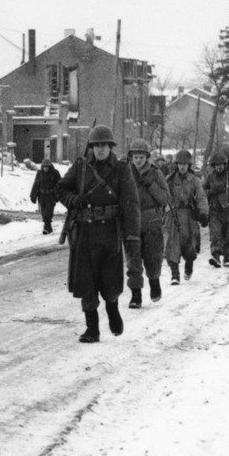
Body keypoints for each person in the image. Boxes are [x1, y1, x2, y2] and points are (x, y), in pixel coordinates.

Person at [58, 125, 140, 343]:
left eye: (104, 145)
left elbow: (131, 204)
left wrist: (131, 235)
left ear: (111, 147)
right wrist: (73, 200)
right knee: (86, 282)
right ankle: (92, 329)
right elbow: (61, 189)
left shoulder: (121, 169)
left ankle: (112, 310)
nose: (100, 149)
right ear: (91, 147)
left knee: (110, 280)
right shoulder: (81, 167)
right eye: (96, 146)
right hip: (84, 233)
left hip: (110, 232)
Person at [124, 139, 168, 307]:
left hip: (152, 222)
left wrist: (151, 185)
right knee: (133, 261)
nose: (138, 160)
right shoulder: (126, 174)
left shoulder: (156, 174)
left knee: (153, 257)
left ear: (147, 158)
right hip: (132, 222)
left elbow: (165, 198)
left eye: (141, 157)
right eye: (135, 157)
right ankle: (136, 295)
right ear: (131, 157)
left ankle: (154, 282)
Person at [164, 149, 208, 285]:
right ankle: (175, 274)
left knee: (190, 245)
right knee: (172, 244)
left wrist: (203, 213)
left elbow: (201, 197)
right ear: (176, 164)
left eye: (185, 164)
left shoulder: (194, 181)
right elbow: (163, 196)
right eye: (180, 163)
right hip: (173, 216)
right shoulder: (170, 180)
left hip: (189, 217)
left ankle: (189, 265)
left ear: (189, 165)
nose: (182, 166)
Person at [29, 157, 61, 234]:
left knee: (48, 212)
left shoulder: (55, 173)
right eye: (44, 167)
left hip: (50, 196)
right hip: (41, 196)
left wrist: (57, 196)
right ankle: (48, 228)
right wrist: (33, 195)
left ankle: (46, 228)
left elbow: (60, 185)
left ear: (50, 167)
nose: (45, 168)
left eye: (47, 167)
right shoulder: (39, 173)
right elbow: (36, 184)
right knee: (43, 213)